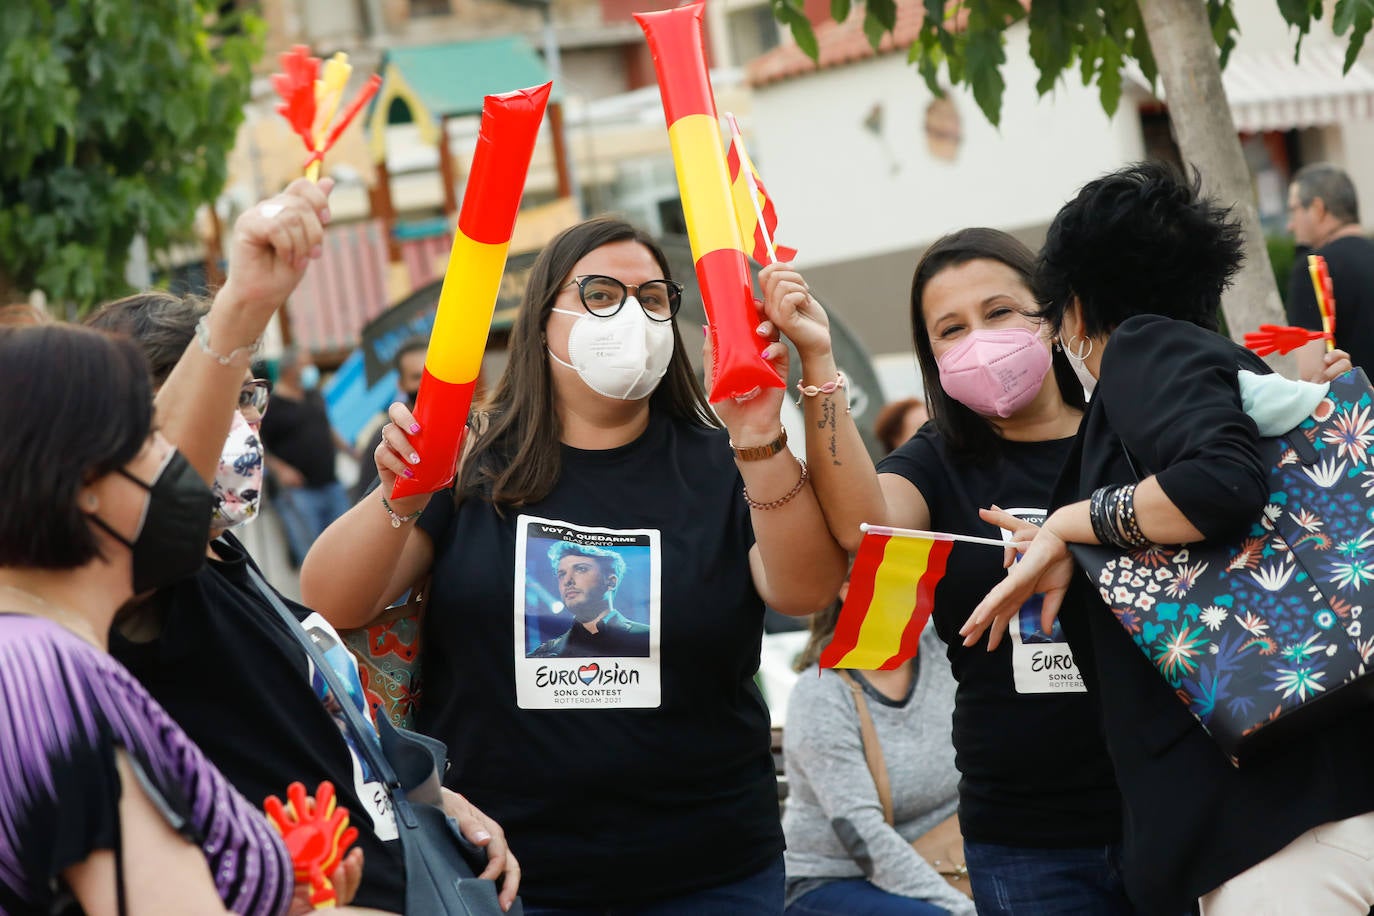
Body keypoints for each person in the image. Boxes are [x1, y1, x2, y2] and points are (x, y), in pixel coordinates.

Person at [300, 216, 848, 913]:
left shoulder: (725, 459)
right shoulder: (471, 463)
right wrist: (402, 494)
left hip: (709, 871)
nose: (631, 315)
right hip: (503, 873)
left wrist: (761, 438)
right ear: (541, 322)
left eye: (653, 298)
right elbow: (330, 598)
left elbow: (805, 590)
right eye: (599, 293)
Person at [86, 180, 518, 914]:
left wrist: (440, 797)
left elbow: (327, 725)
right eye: (222, 396)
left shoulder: (228, 562)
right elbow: (154, 508)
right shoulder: (153, 576)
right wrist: (243, 304)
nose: (244, 426)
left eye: (249, 396)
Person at [966, 161, 1374, 914]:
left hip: (1277, 839)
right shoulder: (1217, 368)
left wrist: (1067, 522)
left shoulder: (1146, 348)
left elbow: (1218, 484)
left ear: (1077, 311)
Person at [758, 229, 1141, 913]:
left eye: (1000, 312)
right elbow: (861, 526)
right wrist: (816, 357)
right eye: (950, 329)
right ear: (932, 357)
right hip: (1025, 838)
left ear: (1051, 318)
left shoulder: (1128, 434)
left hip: (1163, 807)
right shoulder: (937, 461)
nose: (979, 338)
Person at [0, 324, 366, 915]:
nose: (181, 456)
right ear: (83, 483)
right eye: (148, 434)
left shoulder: (43, 654)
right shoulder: (47, 673)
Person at [782, 597, 973, 916]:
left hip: (949, 860)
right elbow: (860, 831)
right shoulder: (822, 693)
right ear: (847, 587)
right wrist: (958, 907)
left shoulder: (943, 650)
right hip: (836, 878)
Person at [260, 346, 352, 564]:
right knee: (314, 554)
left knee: (348, 544)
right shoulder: (272, 406)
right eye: (304, 364)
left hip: (331, 483)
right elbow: (260, 445)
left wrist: (349, 450)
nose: (310, 369)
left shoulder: (313, 395)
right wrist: (282, 470)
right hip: (300, 492)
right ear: (289, 370)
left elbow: (326, 426)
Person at [1286, 162, 1374, 379]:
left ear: (1318, 209)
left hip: (1356, 411)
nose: (1291, 224)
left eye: (1294, 209)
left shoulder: (1314, 270)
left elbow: (1310, 374)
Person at [528, 541, 650, 658]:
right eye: (562, 574)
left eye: (581, 569)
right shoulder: (546, 653)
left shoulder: (648, 637)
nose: (567, 581)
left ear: (611, 582)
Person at [352, 337, 429, 503]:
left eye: (430, 375)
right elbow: (363, 503)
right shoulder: (385, 440)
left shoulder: (463, 425)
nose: (426, 383)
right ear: (401, 384)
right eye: (417, 377)